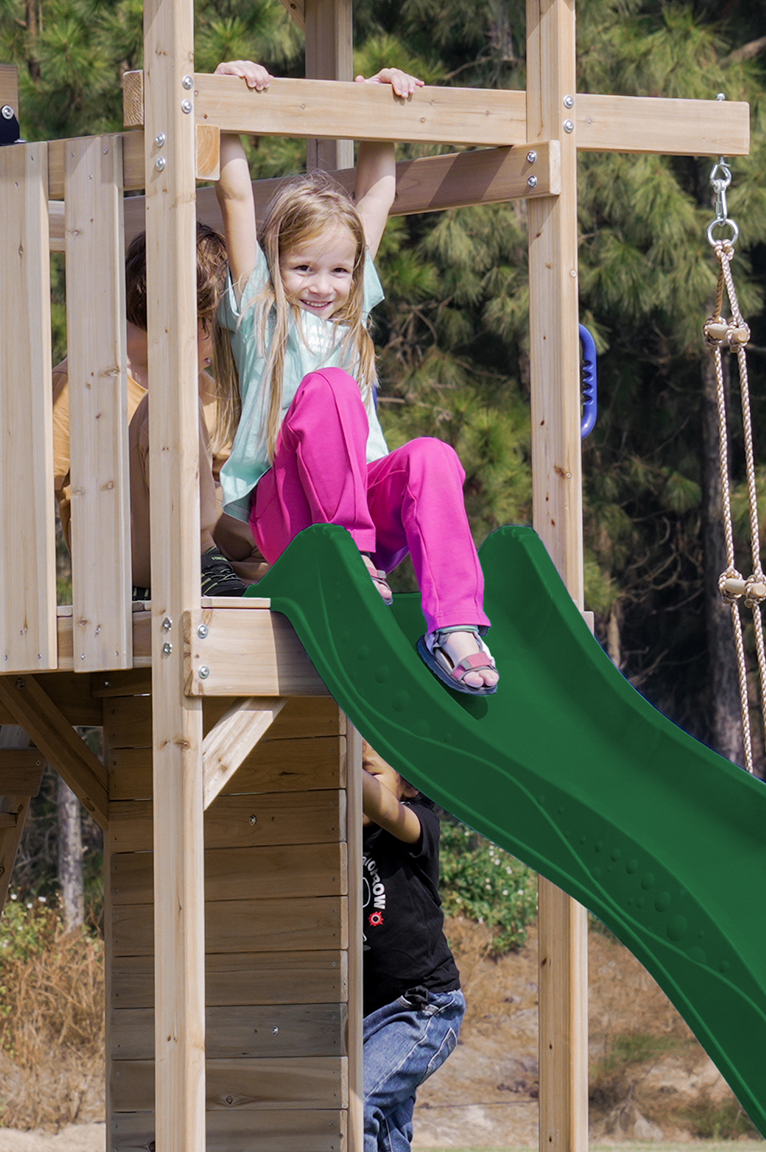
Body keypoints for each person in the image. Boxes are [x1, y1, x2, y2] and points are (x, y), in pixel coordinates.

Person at [210, 60, 498, 696]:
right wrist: (225, 102)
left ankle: (454, 626)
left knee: (430, 456)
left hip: (362, 510)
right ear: (274, 266)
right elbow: (234, 194)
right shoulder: (262, 308)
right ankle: (352, 558)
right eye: (303, 267)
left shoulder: (351, 311)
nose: (322, 286)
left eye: (339, 272)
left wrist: (380, 112)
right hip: (289, 513)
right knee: (331, 391)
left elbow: (378, 195)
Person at [50, 225, 250, 599]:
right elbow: (39, 486)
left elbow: (227, 482)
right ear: (182, 314)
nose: (224, 342)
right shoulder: (82, 380)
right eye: (216, 325)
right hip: (121, 553)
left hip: (206, 551)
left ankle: (268, 569)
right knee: (172, 399)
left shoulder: (209, 388)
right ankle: (202, 560)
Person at [358, 745, 467, 1152]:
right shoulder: (338, 835)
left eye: (371, 769)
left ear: (409, 785)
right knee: (386, 1148)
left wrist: (338, 762)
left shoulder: (416, 826)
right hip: (372, 1020)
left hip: (425, 1008)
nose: (358, 775)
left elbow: (382, 807)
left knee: (354, 1104)